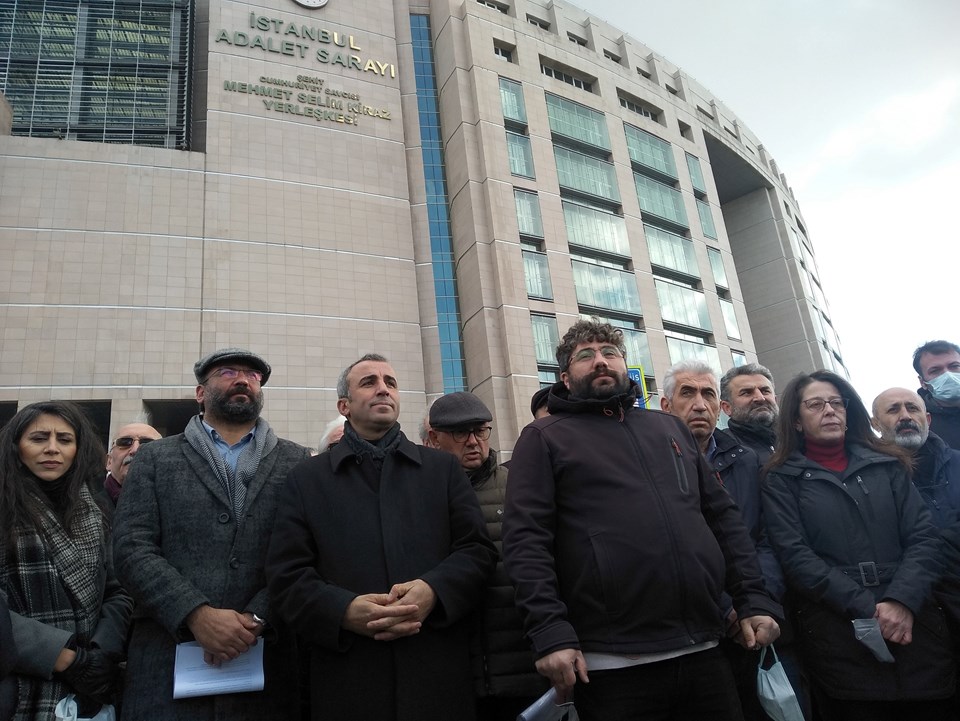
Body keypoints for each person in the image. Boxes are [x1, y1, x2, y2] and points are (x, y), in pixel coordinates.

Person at [503, 319, 781, 721]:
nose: (601, 361)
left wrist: (752, 599)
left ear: (624, 364)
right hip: (612, 664)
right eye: (586, 356)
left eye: (610, 353)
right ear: (564, 377)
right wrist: (549, 632)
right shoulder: (543, 437)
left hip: (704, 650)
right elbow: (526, 542)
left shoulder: (668, 428)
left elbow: (723, 520)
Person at [266, 354, 497, 721]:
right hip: (348, 680)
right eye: (368, 382)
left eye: (390, 382)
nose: (383, 389)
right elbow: (287, 575)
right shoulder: (306, 480)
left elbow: (477, 551)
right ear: (344, 406)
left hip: (437, 675)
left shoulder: (442, 470)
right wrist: (343, 611)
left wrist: (433, 591)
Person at [112, 348, 311, 721]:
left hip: (267, 666)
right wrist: (195, 614)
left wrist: (257, 617)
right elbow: (131, 548)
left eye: (253, 376)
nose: (243, 380)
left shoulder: (297, 461)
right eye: (228, 372)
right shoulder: (155, 458)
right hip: (166, 663)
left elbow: (304, 552)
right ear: (200, 393)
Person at [762, 370, 954, 720]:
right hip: (839, 633)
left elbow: (924, 538)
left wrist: (900, 601)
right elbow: (796, 556)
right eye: (816, 404)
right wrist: (867, 607)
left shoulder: (889, 464)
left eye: (837, 403)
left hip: (916, 625)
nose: (829, 411)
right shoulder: (781, 479)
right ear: (797, 421)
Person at [660, 360, 795, 721]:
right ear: (666, 405)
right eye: (687, 393)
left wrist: (757, 601)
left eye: (708, 394)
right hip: (694, 627)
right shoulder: (648, 464)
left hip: (754, 620)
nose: (699, 404)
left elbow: (765, 539)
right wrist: (726, 607)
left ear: (719, 406)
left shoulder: (746, 460)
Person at [0, 401, 133, 721]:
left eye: (64, 439)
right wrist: (65, 658)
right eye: (38, 438)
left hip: (91, 687)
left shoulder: (94, 510)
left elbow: (117, 590)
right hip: (17, 683)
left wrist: (100, 654)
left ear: (78, 449)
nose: (52, 448)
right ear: (16, 446)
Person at [428, 392, 546, 719]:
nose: (473, 442)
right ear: (434, 438)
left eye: (480, 431)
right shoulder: (421, 493)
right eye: (460, 433)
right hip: (453, 673)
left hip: (523, 667)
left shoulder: (518, 486)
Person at [98, 422, 162, 520]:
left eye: (148, 444)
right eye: (125, 442)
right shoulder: (84, 507)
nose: (135, 450)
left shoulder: (178, 505)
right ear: (109, 461)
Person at [720, 363, 779, 464]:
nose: (760, 398)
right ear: (727, 408)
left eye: (765, 391)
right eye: (747, 392)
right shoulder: (720, 449)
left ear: (775, 400)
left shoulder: (798, 439)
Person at [913, 340, 960, 449]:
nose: (948, 375)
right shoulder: (917, 424)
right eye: (935, 371)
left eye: (954, 366)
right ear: (922, 382)